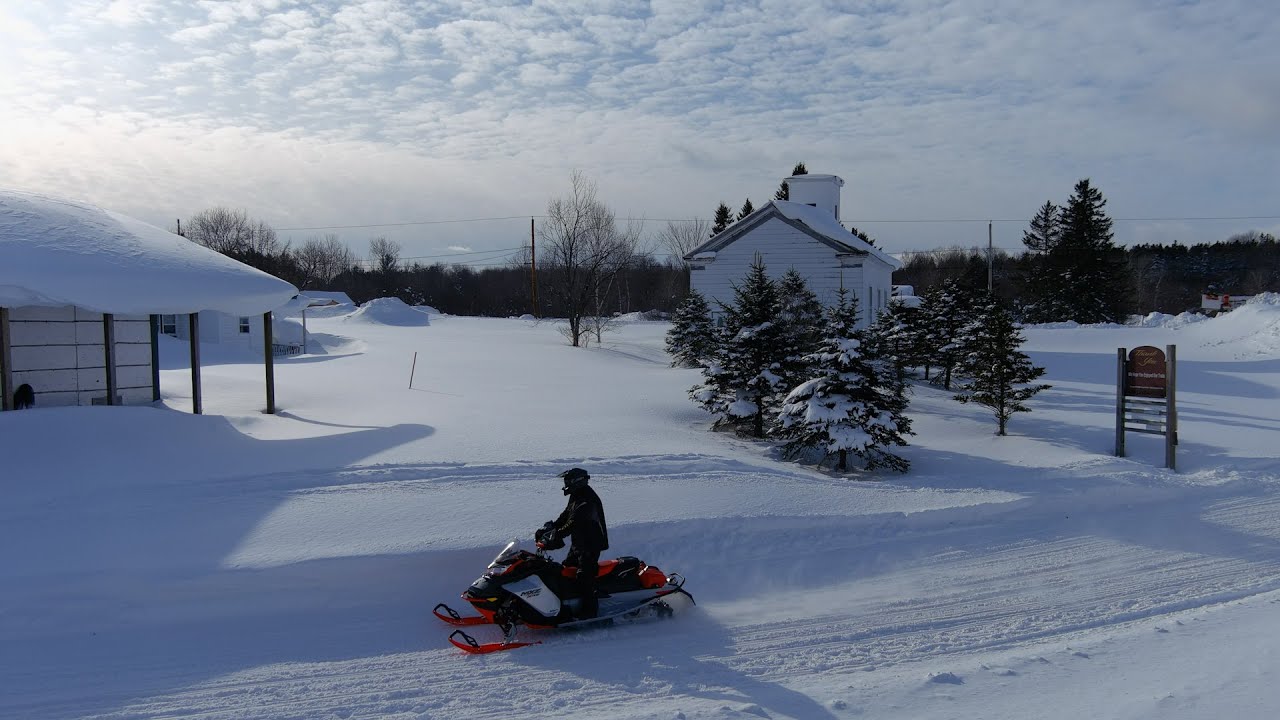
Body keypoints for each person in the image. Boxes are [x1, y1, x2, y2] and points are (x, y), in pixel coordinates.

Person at [540, 467, 609, 619]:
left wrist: (556, 535)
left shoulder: (587, 499)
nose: (566, 484)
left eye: (568, 481)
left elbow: (573, 523)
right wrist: (551, 528)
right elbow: (566, 515)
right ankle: (570, 605)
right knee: (565, 572)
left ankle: (590, 614)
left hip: (591, 544)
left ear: (577, 481)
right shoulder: (577, 495)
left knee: (584, 577)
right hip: (580, 542)